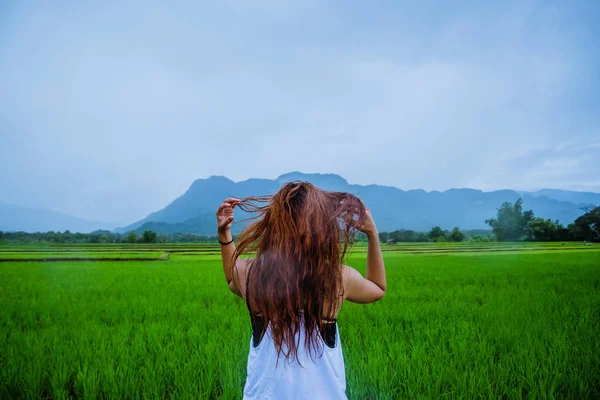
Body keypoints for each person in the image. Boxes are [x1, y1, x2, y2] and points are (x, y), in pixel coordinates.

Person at [216, 181, 386, 399]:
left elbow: (232, 278)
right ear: (321, 227)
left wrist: (224, 235)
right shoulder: (337, 277)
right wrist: (372, 234)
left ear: (273, 223)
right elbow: (378, 288)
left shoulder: (248, 272)